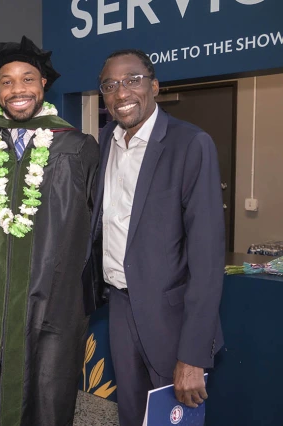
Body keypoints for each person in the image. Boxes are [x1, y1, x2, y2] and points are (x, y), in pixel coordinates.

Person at [0, 36, 100, 426]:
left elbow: (97, 226)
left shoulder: (77, 146)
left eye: (27, 79)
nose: (17, 89)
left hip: (53, 299)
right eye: (6, 82)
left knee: (49, 391)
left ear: (43, 86)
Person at [91, 49, 224, 426]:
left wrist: (194, 353)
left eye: (132, 80)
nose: (122, 93)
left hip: (171, 317)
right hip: (119, 307)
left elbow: (207, 258)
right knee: (133, 414)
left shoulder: (190, 144)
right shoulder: (104, 143)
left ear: (155, 86)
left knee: (173, 420)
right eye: (110, 85)